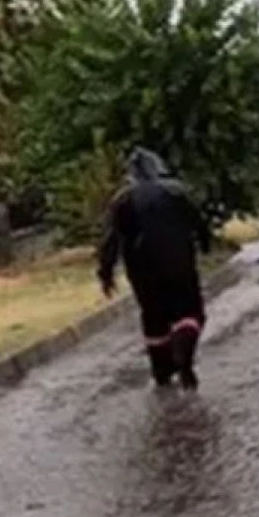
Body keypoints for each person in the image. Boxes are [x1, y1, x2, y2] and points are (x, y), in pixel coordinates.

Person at [98, 148, 211, 389]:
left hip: (142, 271)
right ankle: (184, 357)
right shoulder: (176, 191)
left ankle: (162, 371)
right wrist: (205, 245)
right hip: (180, 264)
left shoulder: (122, 199)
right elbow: (199, 223)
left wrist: (106, 273)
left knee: (154, 317)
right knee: (191, 312)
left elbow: (110, 240)